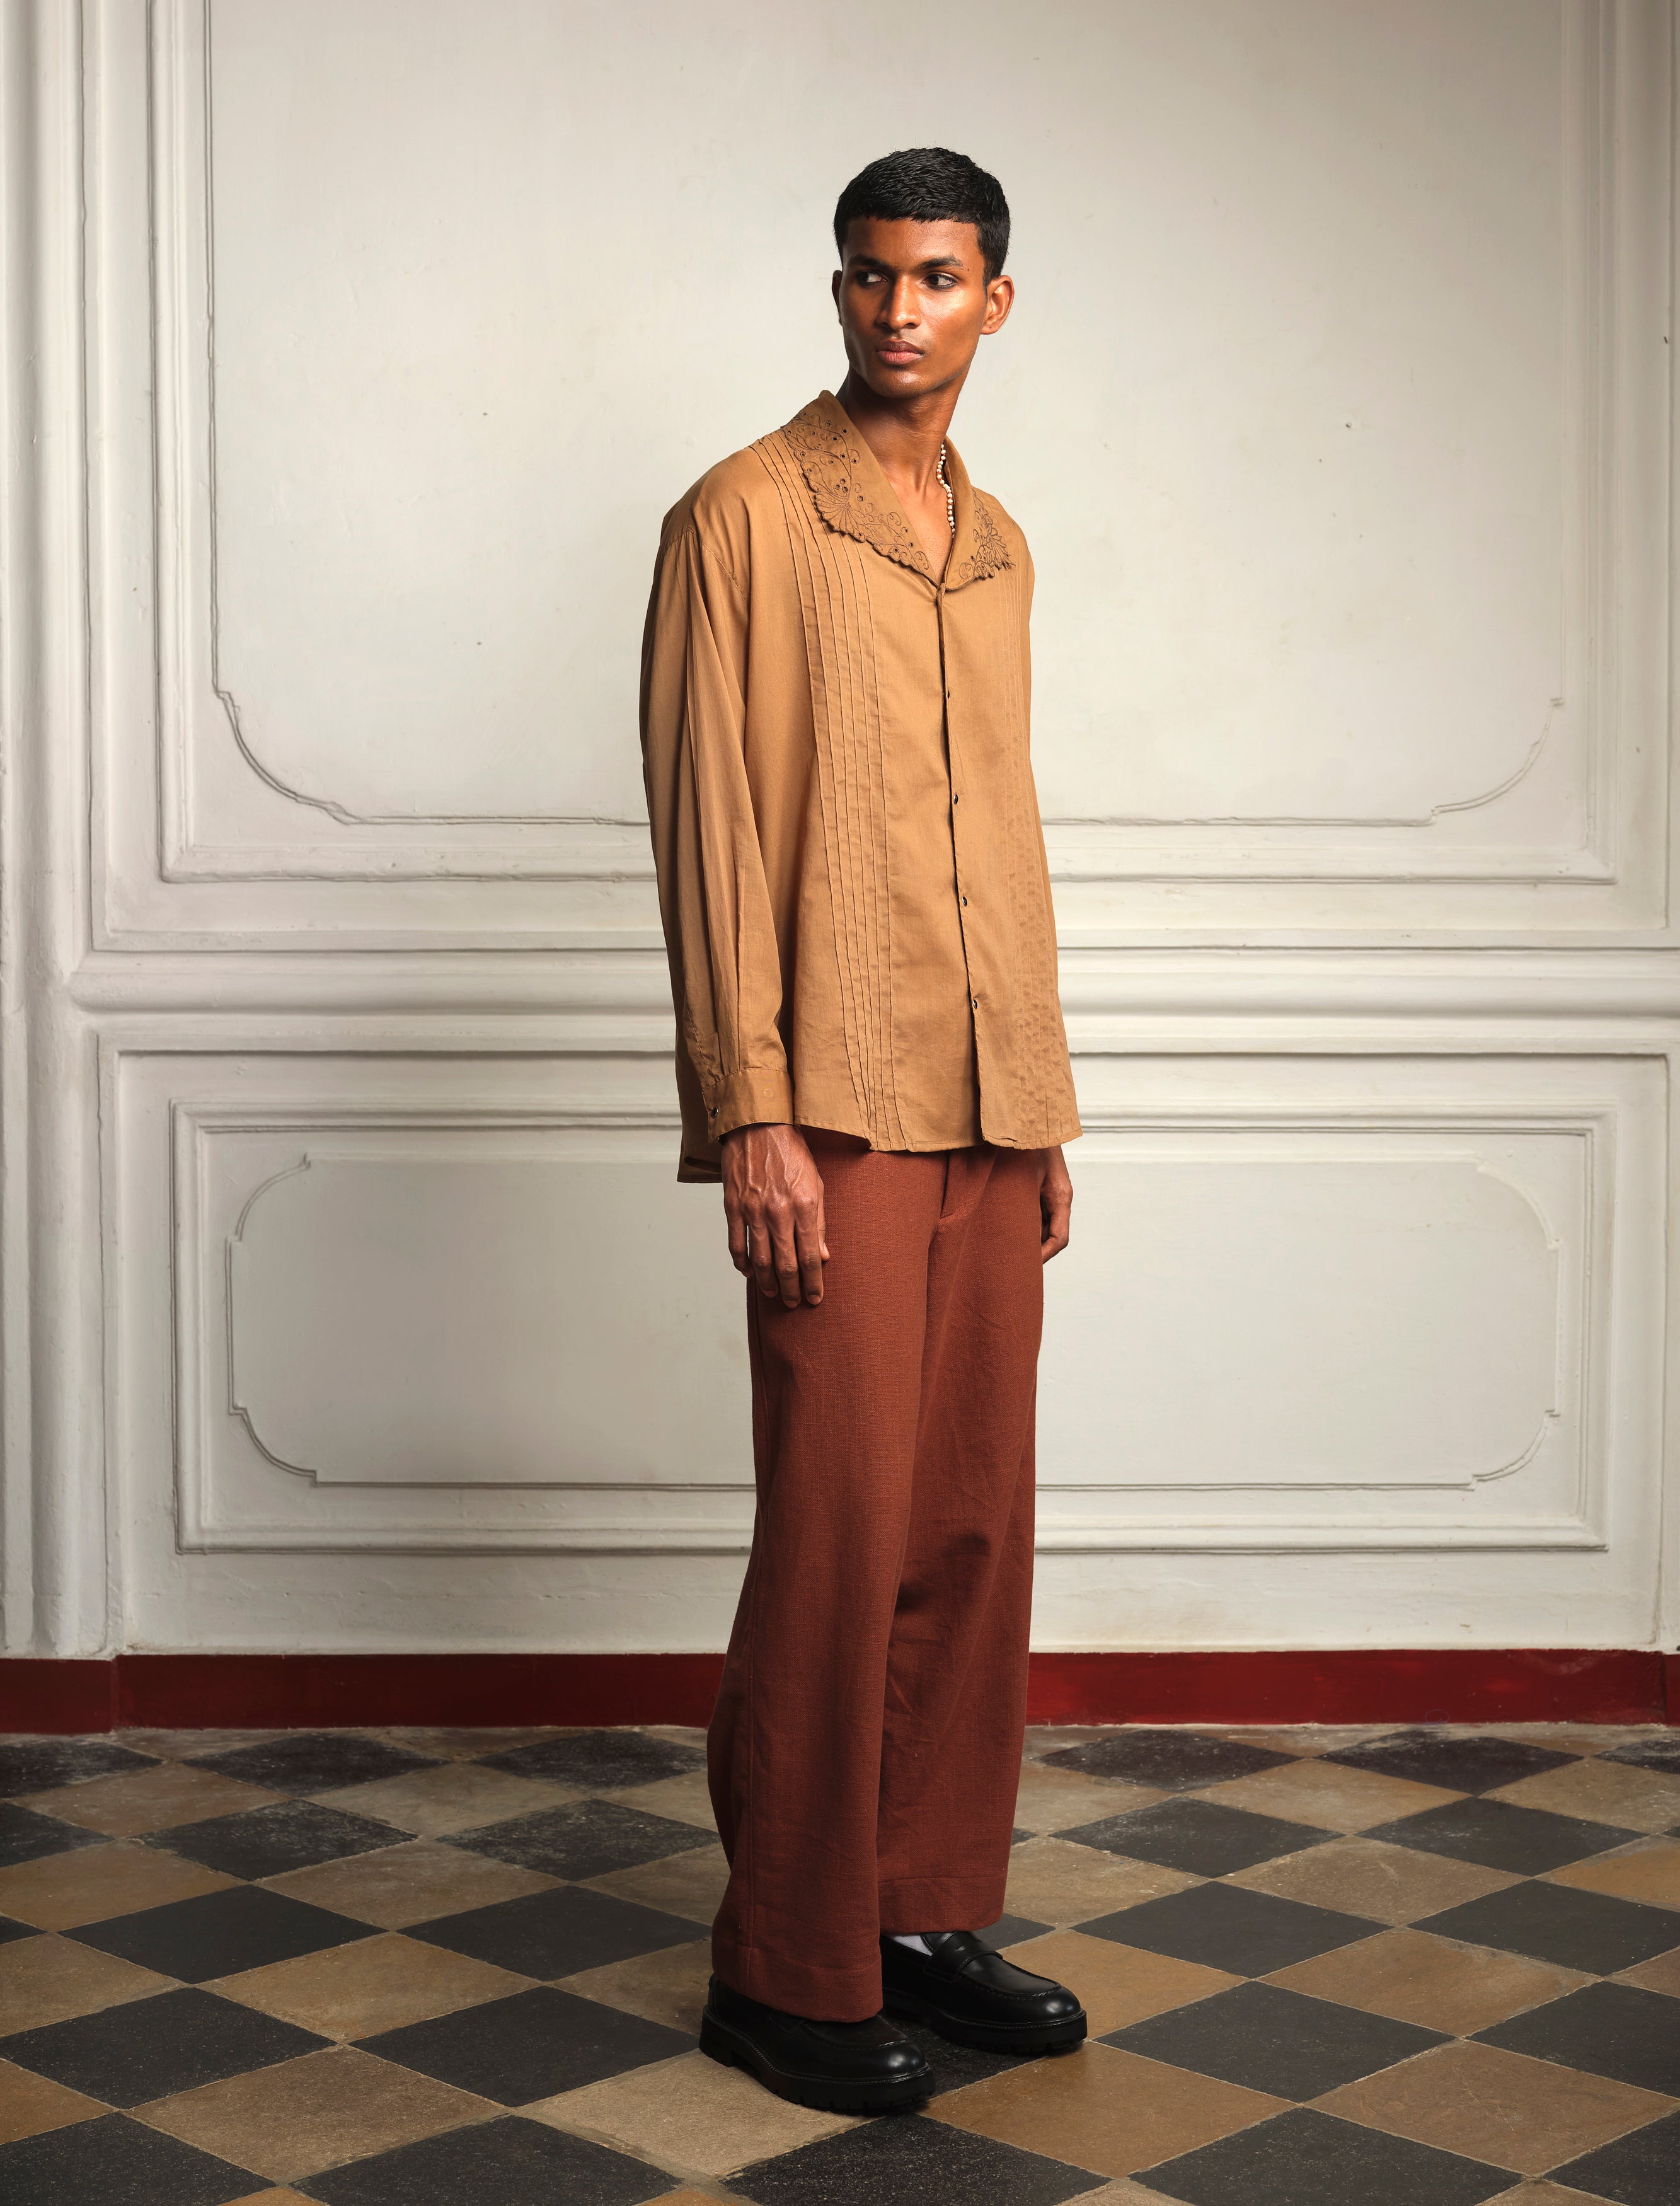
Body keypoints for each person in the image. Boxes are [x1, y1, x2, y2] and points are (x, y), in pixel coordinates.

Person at [639, 146, 1084, 2114]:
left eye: (937, 277)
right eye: (869, 275)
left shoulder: (998, 547)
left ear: (998, 298)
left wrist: (1042, 1102)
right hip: (831, 1101)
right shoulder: (741, 516)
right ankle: (786, 1962)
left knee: (970, 1525)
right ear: (838, 291)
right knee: (837, 1530)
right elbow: (710, 832)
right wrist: (751, 1110)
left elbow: (1006, 832)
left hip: (993, 1102)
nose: (900, 310)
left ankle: (918, 1910)